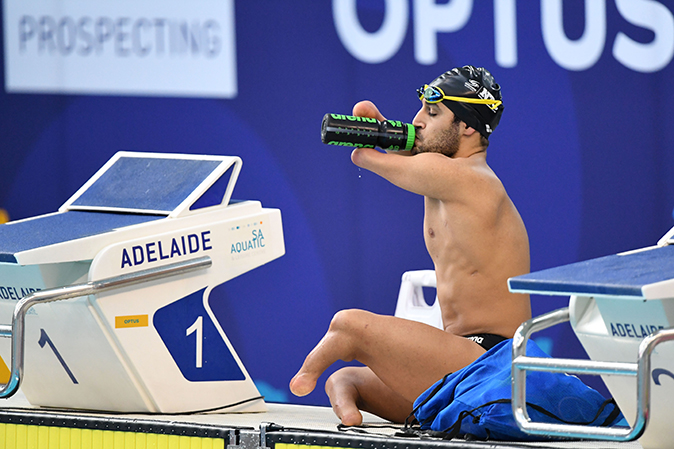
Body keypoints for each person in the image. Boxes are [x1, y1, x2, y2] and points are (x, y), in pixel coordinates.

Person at [289, 66, 531, 427]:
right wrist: (382, 127)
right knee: (347, 379)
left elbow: (366, 158)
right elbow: (412, 154)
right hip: (457, 355)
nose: (417, 121)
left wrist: (375, 138)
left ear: (467, 126)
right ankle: (424, 417)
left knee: (350, 327)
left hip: (493, 363)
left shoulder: (473, 180)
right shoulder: (442, 174)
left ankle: (301, 380)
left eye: (432, 113)